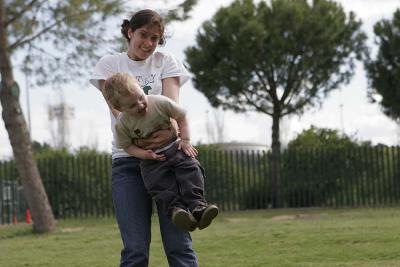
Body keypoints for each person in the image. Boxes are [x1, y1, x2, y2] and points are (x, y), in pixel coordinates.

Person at [90, 9, 201, 267]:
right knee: (135, 250)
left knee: (179, 246)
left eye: (155, 38)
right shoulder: (110, 64)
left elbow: (172, 107)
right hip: (128, 163)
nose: (149, 43)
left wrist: (170, 133)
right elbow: (119, 112)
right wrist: (144, 139)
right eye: (143, 35)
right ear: (130, 32)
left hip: (168, 158)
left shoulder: (166, 61)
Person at [103, 72, 218, 232]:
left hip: (176, 147)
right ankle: (177, 211)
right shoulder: (122, 124)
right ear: (119, 108)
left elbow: (182, 116)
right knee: (159, 185)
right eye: (132, 106)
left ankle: (198, 207)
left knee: (191, 171)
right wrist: (145, 155)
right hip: (152, 160)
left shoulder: (159, 102)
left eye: (141, 97)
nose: (141, 105)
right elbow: (127, 146)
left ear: (141, 89)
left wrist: (185, 140)